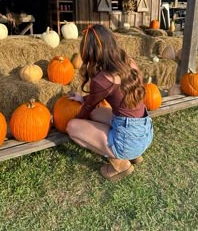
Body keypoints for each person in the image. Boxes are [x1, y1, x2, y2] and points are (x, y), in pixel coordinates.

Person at [66, 24, 153, 181]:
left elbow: (88, 108)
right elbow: (97, 101)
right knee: (96, 114)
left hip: (128, 140)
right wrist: (82, 98)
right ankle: (135, 154)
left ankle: (121, 164)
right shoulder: (128, 61)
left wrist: (77, 118)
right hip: (145, 131)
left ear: (91, 53)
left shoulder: (103, 79)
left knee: (72, 127)